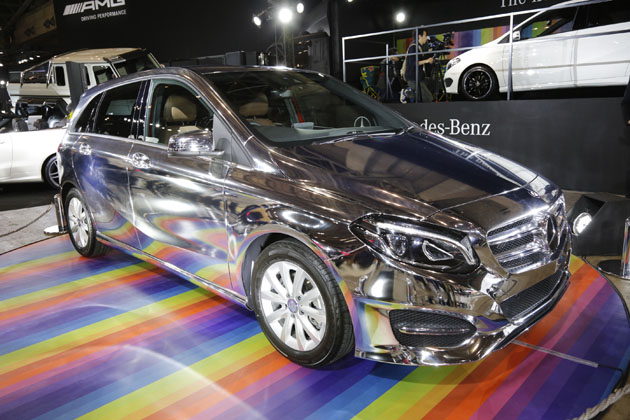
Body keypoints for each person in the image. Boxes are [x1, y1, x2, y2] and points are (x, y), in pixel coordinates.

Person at [404, 29, 434, 103]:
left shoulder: (418, 47)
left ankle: (410, 94)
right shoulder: (413, 47)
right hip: (413, 78)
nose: (426, 38)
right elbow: (413, 63)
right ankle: (407, 94)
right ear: (419, 36)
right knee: (428, 98)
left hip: (419, 77)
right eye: (425, 35)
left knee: (431, 84)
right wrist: (427, 61)